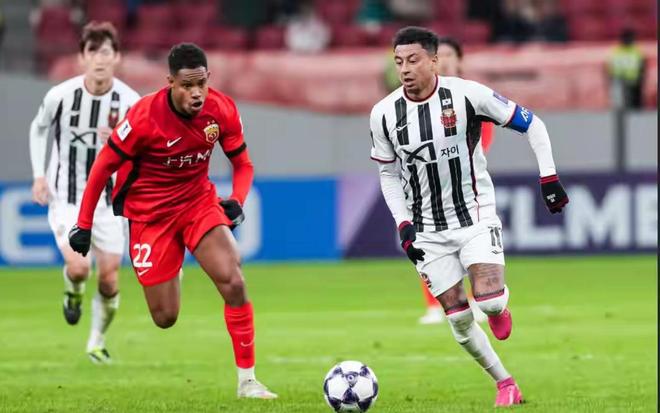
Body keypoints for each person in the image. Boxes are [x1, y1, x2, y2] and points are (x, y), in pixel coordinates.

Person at [369, 27, 569, 406]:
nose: (405, 69)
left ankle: (498, 308)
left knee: (488, 302)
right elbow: (388, 174)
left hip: (475, 216)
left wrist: (549, 178)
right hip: (426, 229)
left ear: (433, 60)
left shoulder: (468, 95)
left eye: (413, 60)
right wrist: (402, 223)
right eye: (399, 62)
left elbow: (533, 124)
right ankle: (505, 383)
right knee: (459, 320)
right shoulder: (383, 114)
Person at [68, 42, 277, 399]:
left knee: (233, 280)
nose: (196, 93)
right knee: (165, 317)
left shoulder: (222, 109)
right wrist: (84, 224)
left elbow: (243, 164)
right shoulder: (144, 116)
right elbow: (103, 166)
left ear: (209, 78)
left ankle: (248, 381)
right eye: (187, 86)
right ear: (170, 83)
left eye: (201, 84)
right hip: (151, 216)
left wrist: (237, 200)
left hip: (197, 203)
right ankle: (172, 267)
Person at [29, 21, 140, 364]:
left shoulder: (130, 102)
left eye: (106, 52)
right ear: (82, 58)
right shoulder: (60, 96)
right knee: (79, 268)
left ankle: (96, 342)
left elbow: (143, 151)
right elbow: (38, 128)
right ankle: (74, 292)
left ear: (117, 57)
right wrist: (39, 175)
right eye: (93, 51)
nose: (100, 59)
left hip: (108, 202)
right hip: (68, 196)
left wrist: (120, 145)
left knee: (109, 280)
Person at [418, 36, 490, 325]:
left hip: (466, 185)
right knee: (428, 245)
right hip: (428, 186)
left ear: (460, 60)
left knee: (469, 246)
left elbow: (484, 137)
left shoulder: (472, 94)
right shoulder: (419, 97)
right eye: (440, 55)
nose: (445, 60)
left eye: (449, 54)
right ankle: (436, 306)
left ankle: (475, 299)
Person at [607, 28, 645, 110]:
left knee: (635, 104)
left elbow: (642, 67)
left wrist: (640, 78)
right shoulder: (616, 51)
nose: (628, 40)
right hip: (620, 81)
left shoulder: (637, 51)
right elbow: (611, 67)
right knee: (621, 103)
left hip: (634, 82)